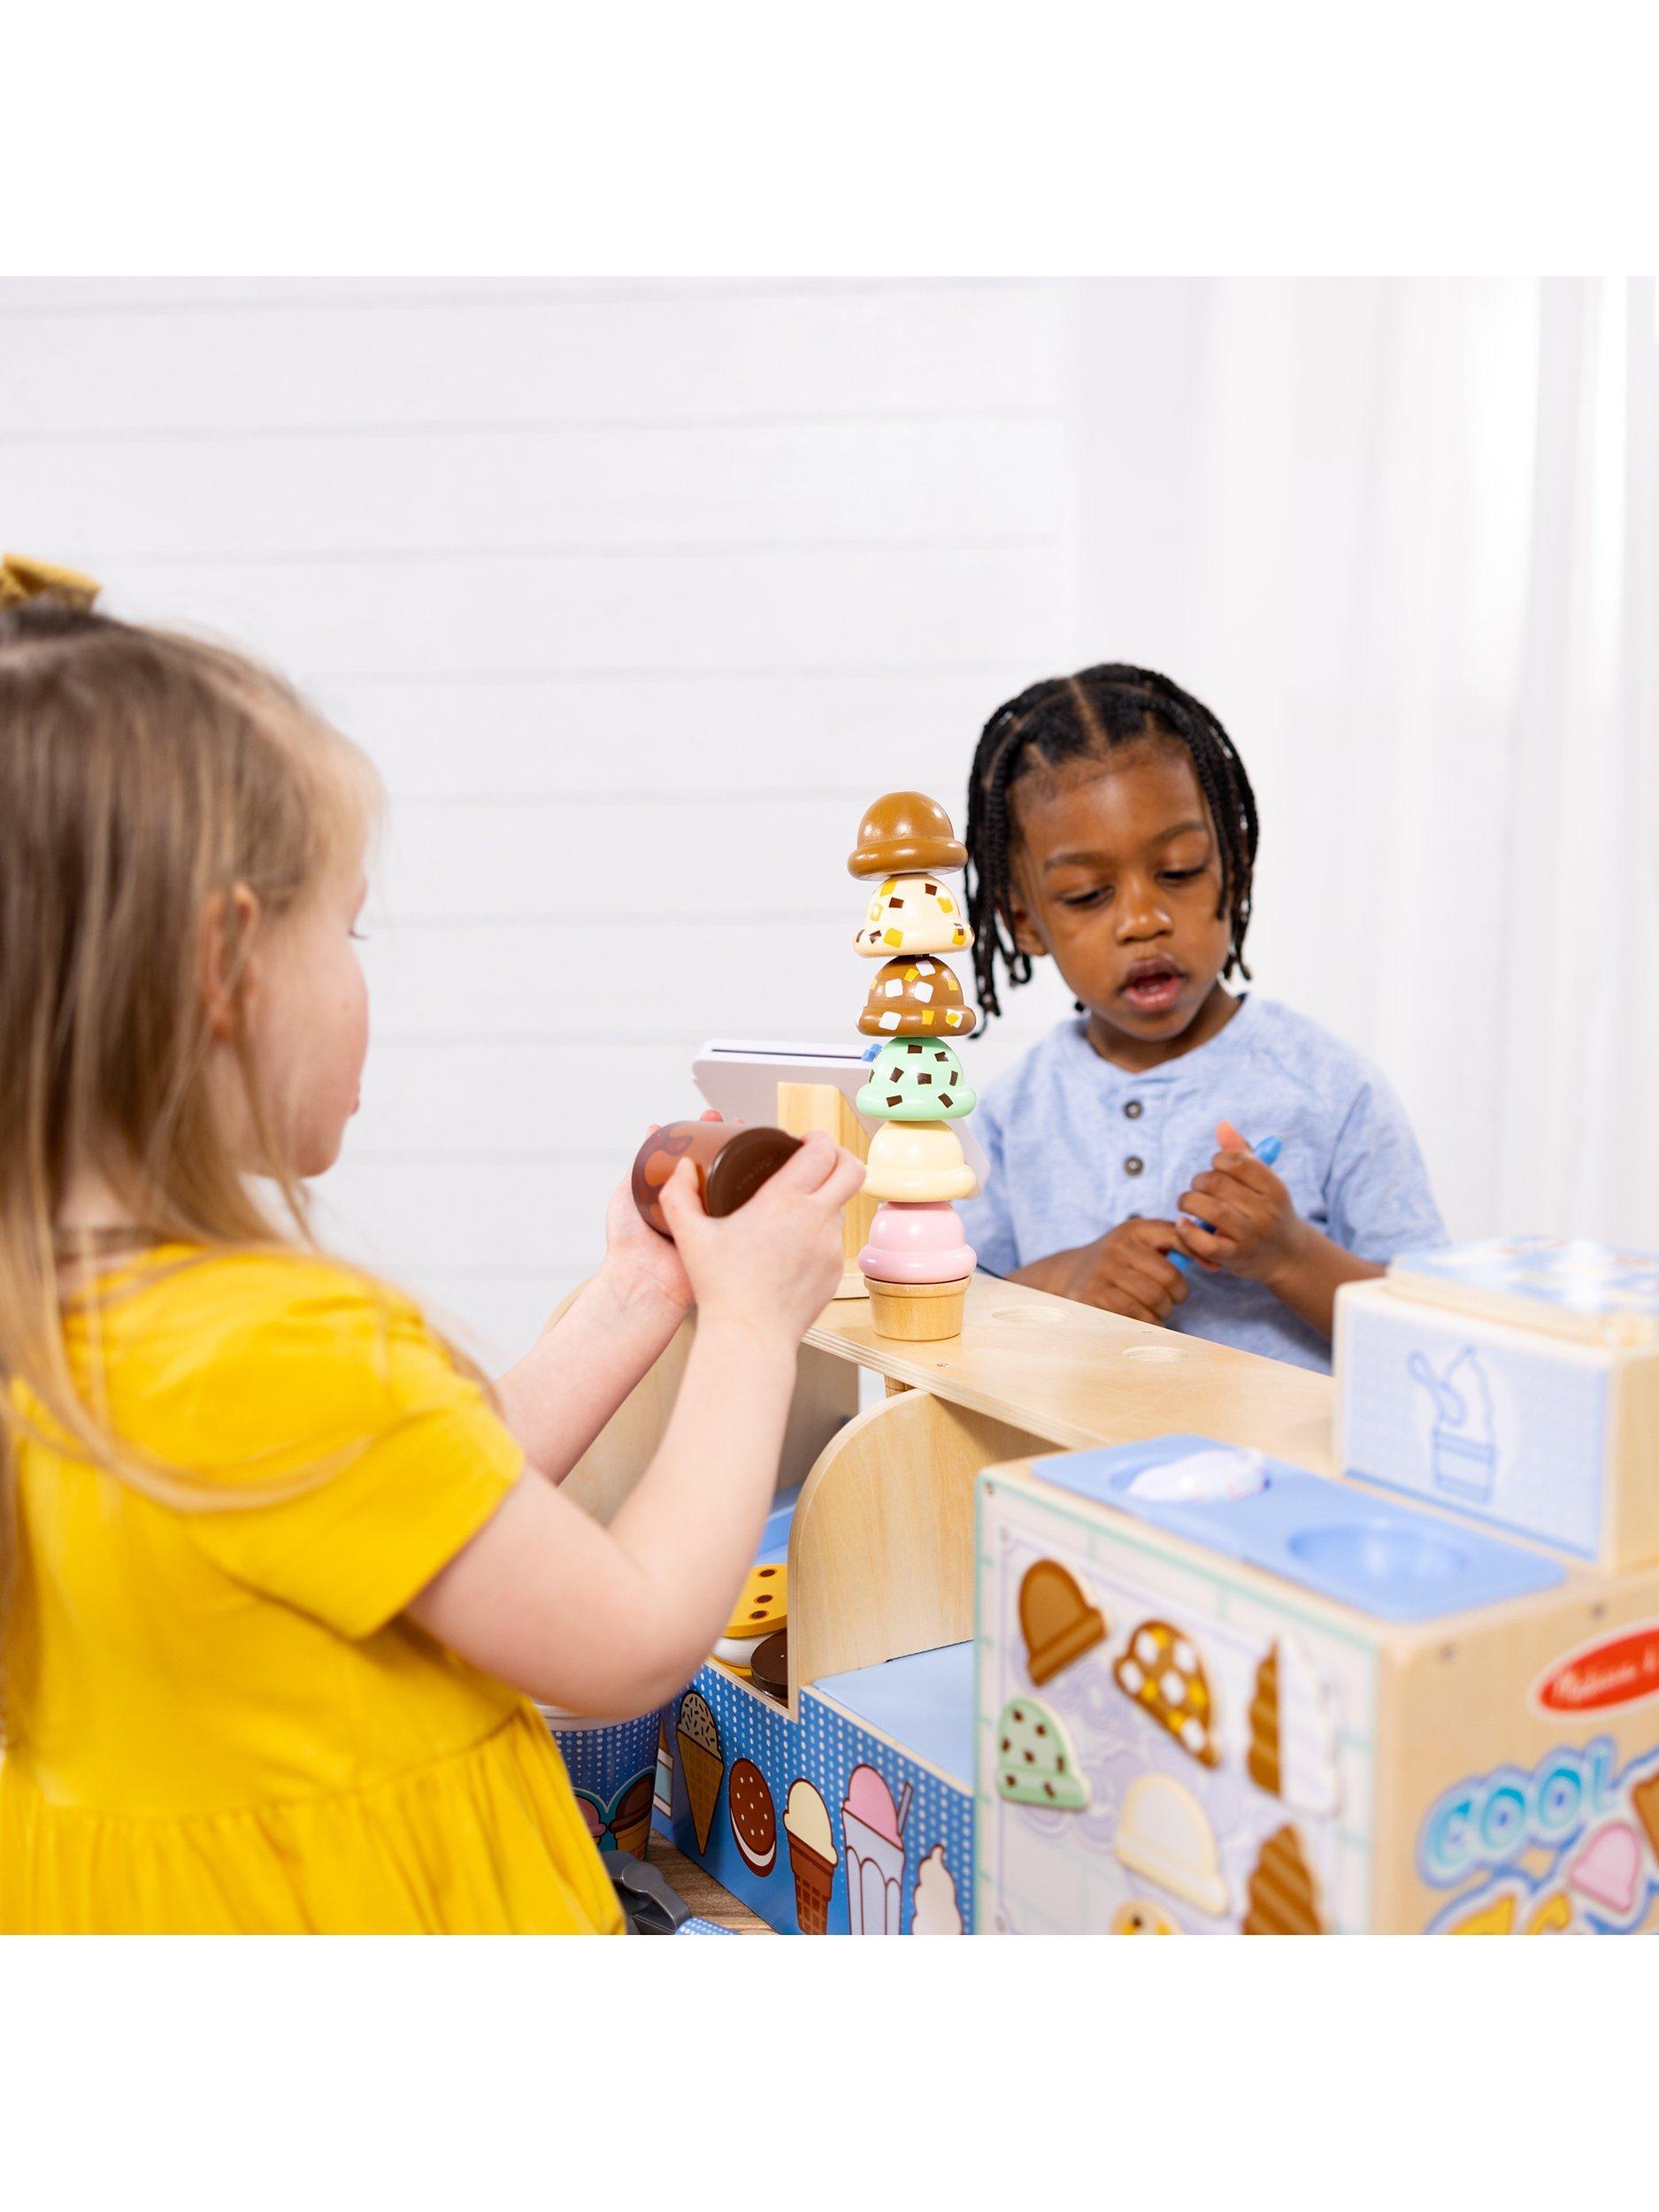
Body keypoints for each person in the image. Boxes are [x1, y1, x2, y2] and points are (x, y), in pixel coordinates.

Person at [0, 567, 862, 1932]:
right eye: (344, 928)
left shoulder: (70, 1329)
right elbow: (630, 1634)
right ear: (226, 965)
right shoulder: (276, 1343)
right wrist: (753, 1328)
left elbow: (424, 1504)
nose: (362, 973)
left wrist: (636, 1294)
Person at [957, 662, 1445, 1372]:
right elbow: (950, 1318)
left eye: (1179, 870)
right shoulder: (1011, 1113)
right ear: (1024, 922)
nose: (1143, 920)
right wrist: (1065, 1282)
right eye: (1088, 894)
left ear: (1233, 867)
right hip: (1064, 1447)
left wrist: (1291, 1256)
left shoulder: (1330, 1090)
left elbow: (1434, 1337)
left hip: (1287, 1446)